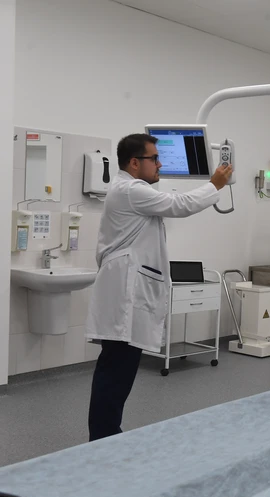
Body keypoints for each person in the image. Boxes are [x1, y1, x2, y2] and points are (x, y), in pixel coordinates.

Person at [85, 133, 232, 441]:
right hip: (125, 292)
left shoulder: (131, 191)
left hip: (125, 289)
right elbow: (180, 204)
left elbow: (172, 204)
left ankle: (105, 435)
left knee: (117, 369)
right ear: (134, 163)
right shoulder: (130, 190)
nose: (160, 164)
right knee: (115, 371)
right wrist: (215, 184)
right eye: (154, 159)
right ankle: (103, 438)